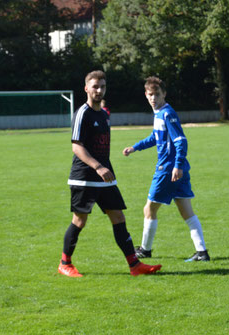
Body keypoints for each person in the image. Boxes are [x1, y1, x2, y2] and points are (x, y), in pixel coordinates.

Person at [58, 70, 162, 277]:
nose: (99, 90)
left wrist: (104, 169)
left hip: (105, 177)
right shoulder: (82, 113)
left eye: (102, 87)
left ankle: (135, 265)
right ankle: (65, 263)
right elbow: (76, 146)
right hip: (85, 177)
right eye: (95, 86)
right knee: (80, 220)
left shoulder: (104, 114)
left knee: (118, 217)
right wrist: (98, 167)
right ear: (86, 88)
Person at [123, 76, 210, 262]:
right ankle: (202, 252)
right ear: (145, 95)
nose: (153, 98)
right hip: (176, 170)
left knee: (149, 209)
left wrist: (177, 165)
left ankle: (145, 250)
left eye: (157, 94)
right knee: (187, 211)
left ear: (164, 94)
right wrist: (135, 148)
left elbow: (181, 141)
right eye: (150, 94)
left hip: (168, 170)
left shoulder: (167, 114)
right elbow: (155, 138)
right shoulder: (159, 113)